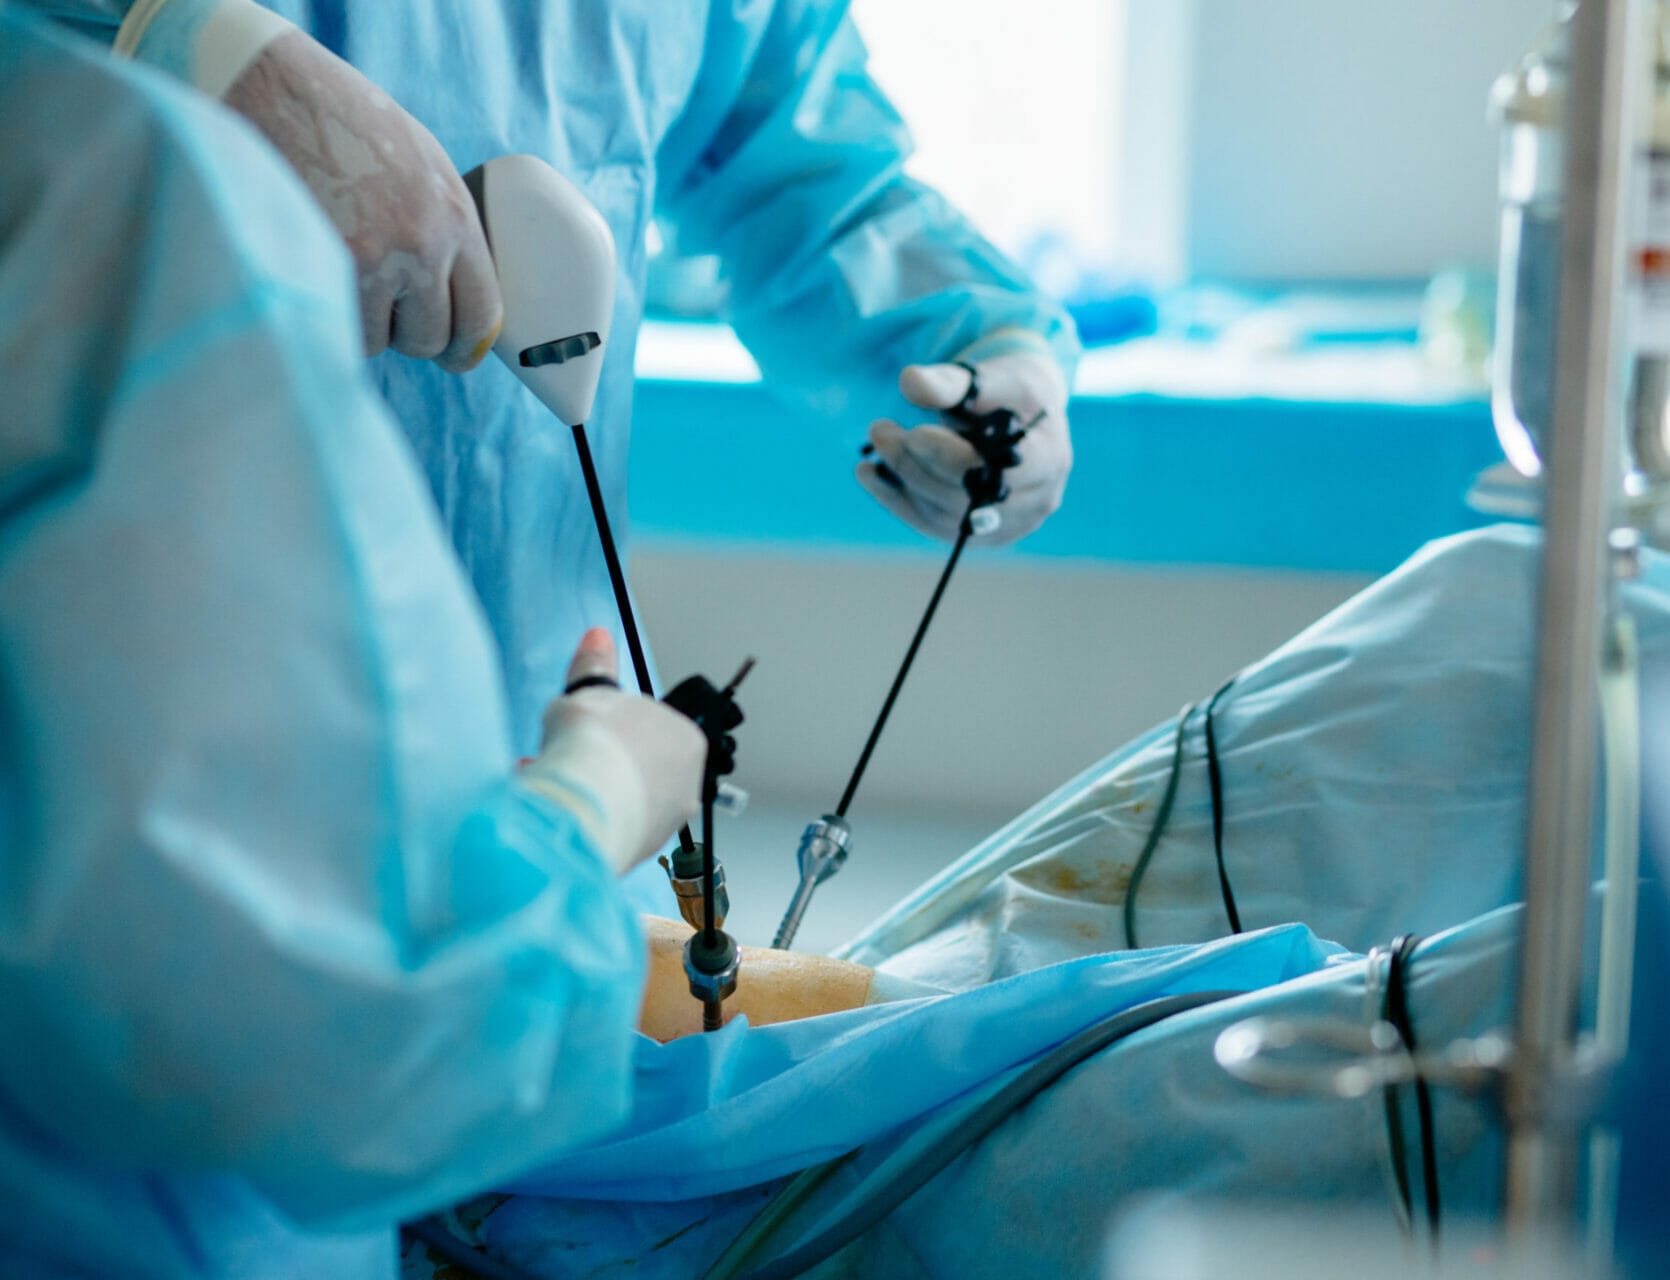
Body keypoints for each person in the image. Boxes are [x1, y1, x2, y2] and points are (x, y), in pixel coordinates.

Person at [0, 12, 875, 1274]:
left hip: (512, 912)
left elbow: (785, 120)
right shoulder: (117, 210)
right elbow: (325, 1046)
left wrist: (964, 331)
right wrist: (578, 819)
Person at [24, 0, 1081, 776]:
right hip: (117, 712)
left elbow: (806, 176)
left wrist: (991, 355)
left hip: (541, 704)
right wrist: (182, 39)